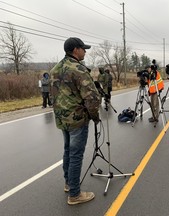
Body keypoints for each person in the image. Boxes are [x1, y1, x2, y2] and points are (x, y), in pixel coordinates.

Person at [50, 37, 101, 205]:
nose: (85, 51)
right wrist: (94, 116)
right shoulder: (78, 69)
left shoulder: (55, 69)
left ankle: (68, 183)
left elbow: (52, 95)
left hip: (62, 118)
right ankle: (75, 194)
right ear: (75, 50)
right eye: (83, 48)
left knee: (67, 151)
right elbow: (92, 98)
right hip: (77, 120)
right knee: (76, 154)